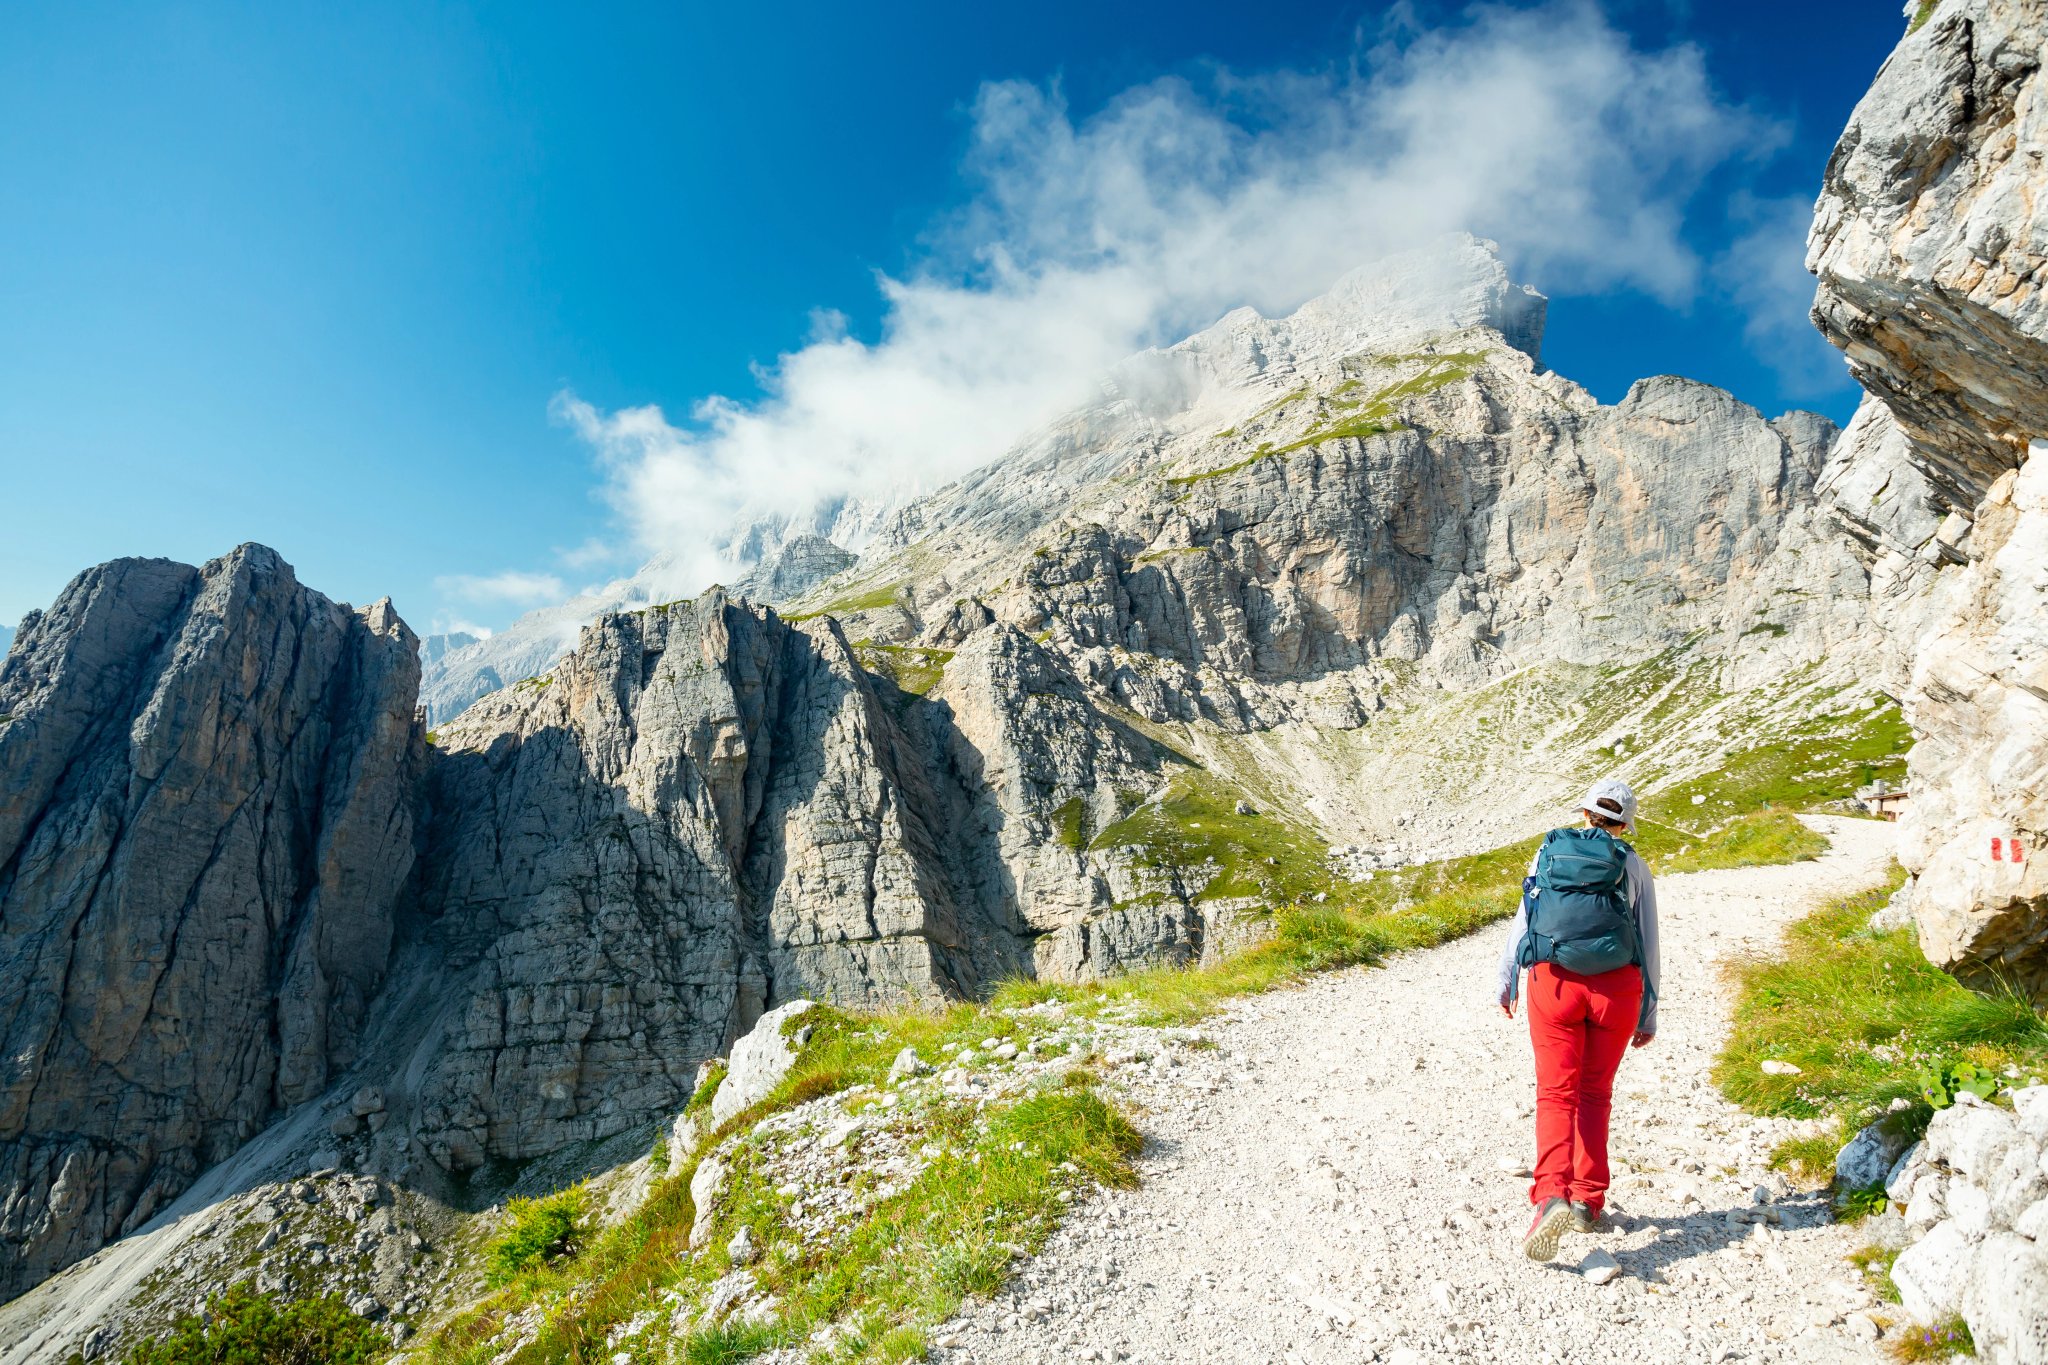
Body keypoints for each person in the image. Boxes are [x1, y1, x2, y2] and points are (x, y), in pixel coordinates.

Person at [1496, 777, 1660, 1262]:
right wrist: (1648, 1012)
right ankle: (1588, 1199)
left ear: (1584, 814)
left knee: (1554, 1093)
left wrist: (1506, 980)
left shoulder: (1549, 852)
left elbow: (1524, 920)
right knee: (1594, 1093)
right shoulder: (1633, 864)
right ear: (1625, 824)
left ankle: (1550, 1195)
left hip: (1554, 983)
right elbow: (1648, 940)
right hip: (1616, 991)